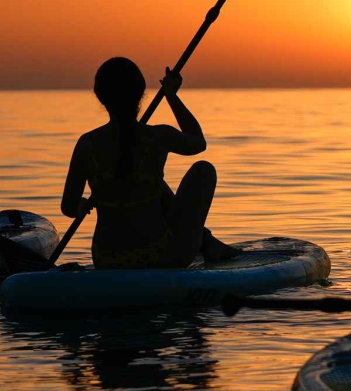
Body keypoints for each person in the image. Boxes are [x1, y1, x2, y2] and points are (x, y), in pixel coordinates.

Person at [60, 58, 237, 269]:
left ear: (100, 97)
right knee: (203, 170)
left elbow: (68, 207)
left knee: (150, 182)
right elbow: (198, 143)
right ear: (141, 94)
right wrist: (171, 96)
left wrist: (81, 204)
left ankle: (208, 242)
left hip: (107, 259)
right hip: (160, 256)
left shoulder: (87, 144)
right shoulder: (157, 137)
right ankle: (208, 243)